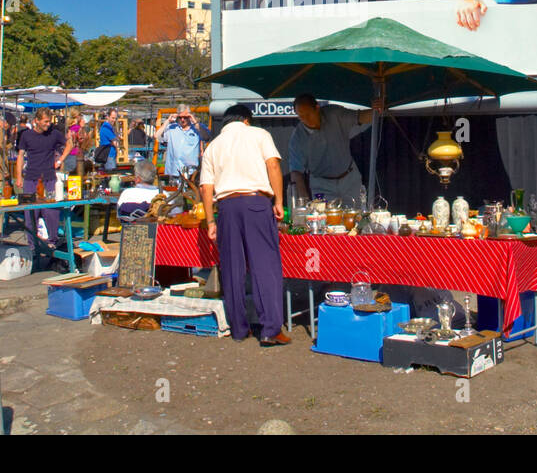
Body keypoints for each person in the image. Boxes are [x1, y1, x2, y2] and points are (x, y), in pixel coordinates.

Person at [200, 103, 287, 345]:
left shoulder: (213, 146)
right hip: (256, 203)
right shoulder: (260, 134)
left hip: (226, 207)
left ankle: (239, 329)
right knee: (264, 265)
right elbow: (273, 165)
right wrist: (278, 200)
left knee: (232, 269)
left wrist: (210, 221)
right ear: (246, 120)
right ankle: (270, 329)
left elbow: (206, 188)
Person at [288, 94, 376, 204]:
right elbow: (296, 173)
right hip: (321, 184)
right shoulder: (297, 138)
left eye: (308, 114)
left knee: (357, 216)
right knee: (325, 219)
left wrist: (376, 109)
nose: (305, 119)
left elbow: (360, 117)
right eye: (301, 116)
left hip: (349, 178)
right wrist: (304, 202)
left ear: (317, 108)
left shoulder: (334, 114)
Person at [15, 108, 66, 249]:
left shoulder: (54, 134)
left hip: (49, 178)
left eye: (49, 121)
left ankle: (53, 241)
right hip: (31, 178)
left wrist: (60, 160)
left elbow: (69, 144)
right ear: (36, 121)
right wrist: (19, 176)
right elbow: (20, 155)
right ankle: (32, 245)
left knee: (51, 212)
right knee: (31, 214)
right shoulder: (26, 135)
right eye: (45, 121)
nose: (48, 124)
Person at [156, 105, 204, 179]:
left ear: (190, 116)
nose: (182, 120)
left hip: (191, 173)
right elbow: (156, 136)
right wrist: (167, 121)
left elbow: (206, 137)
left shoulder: (196, 129)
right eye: (180, 117)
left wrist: (194, 121)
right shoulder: (171, 128)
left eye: (185, 117)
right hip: (173, 171)